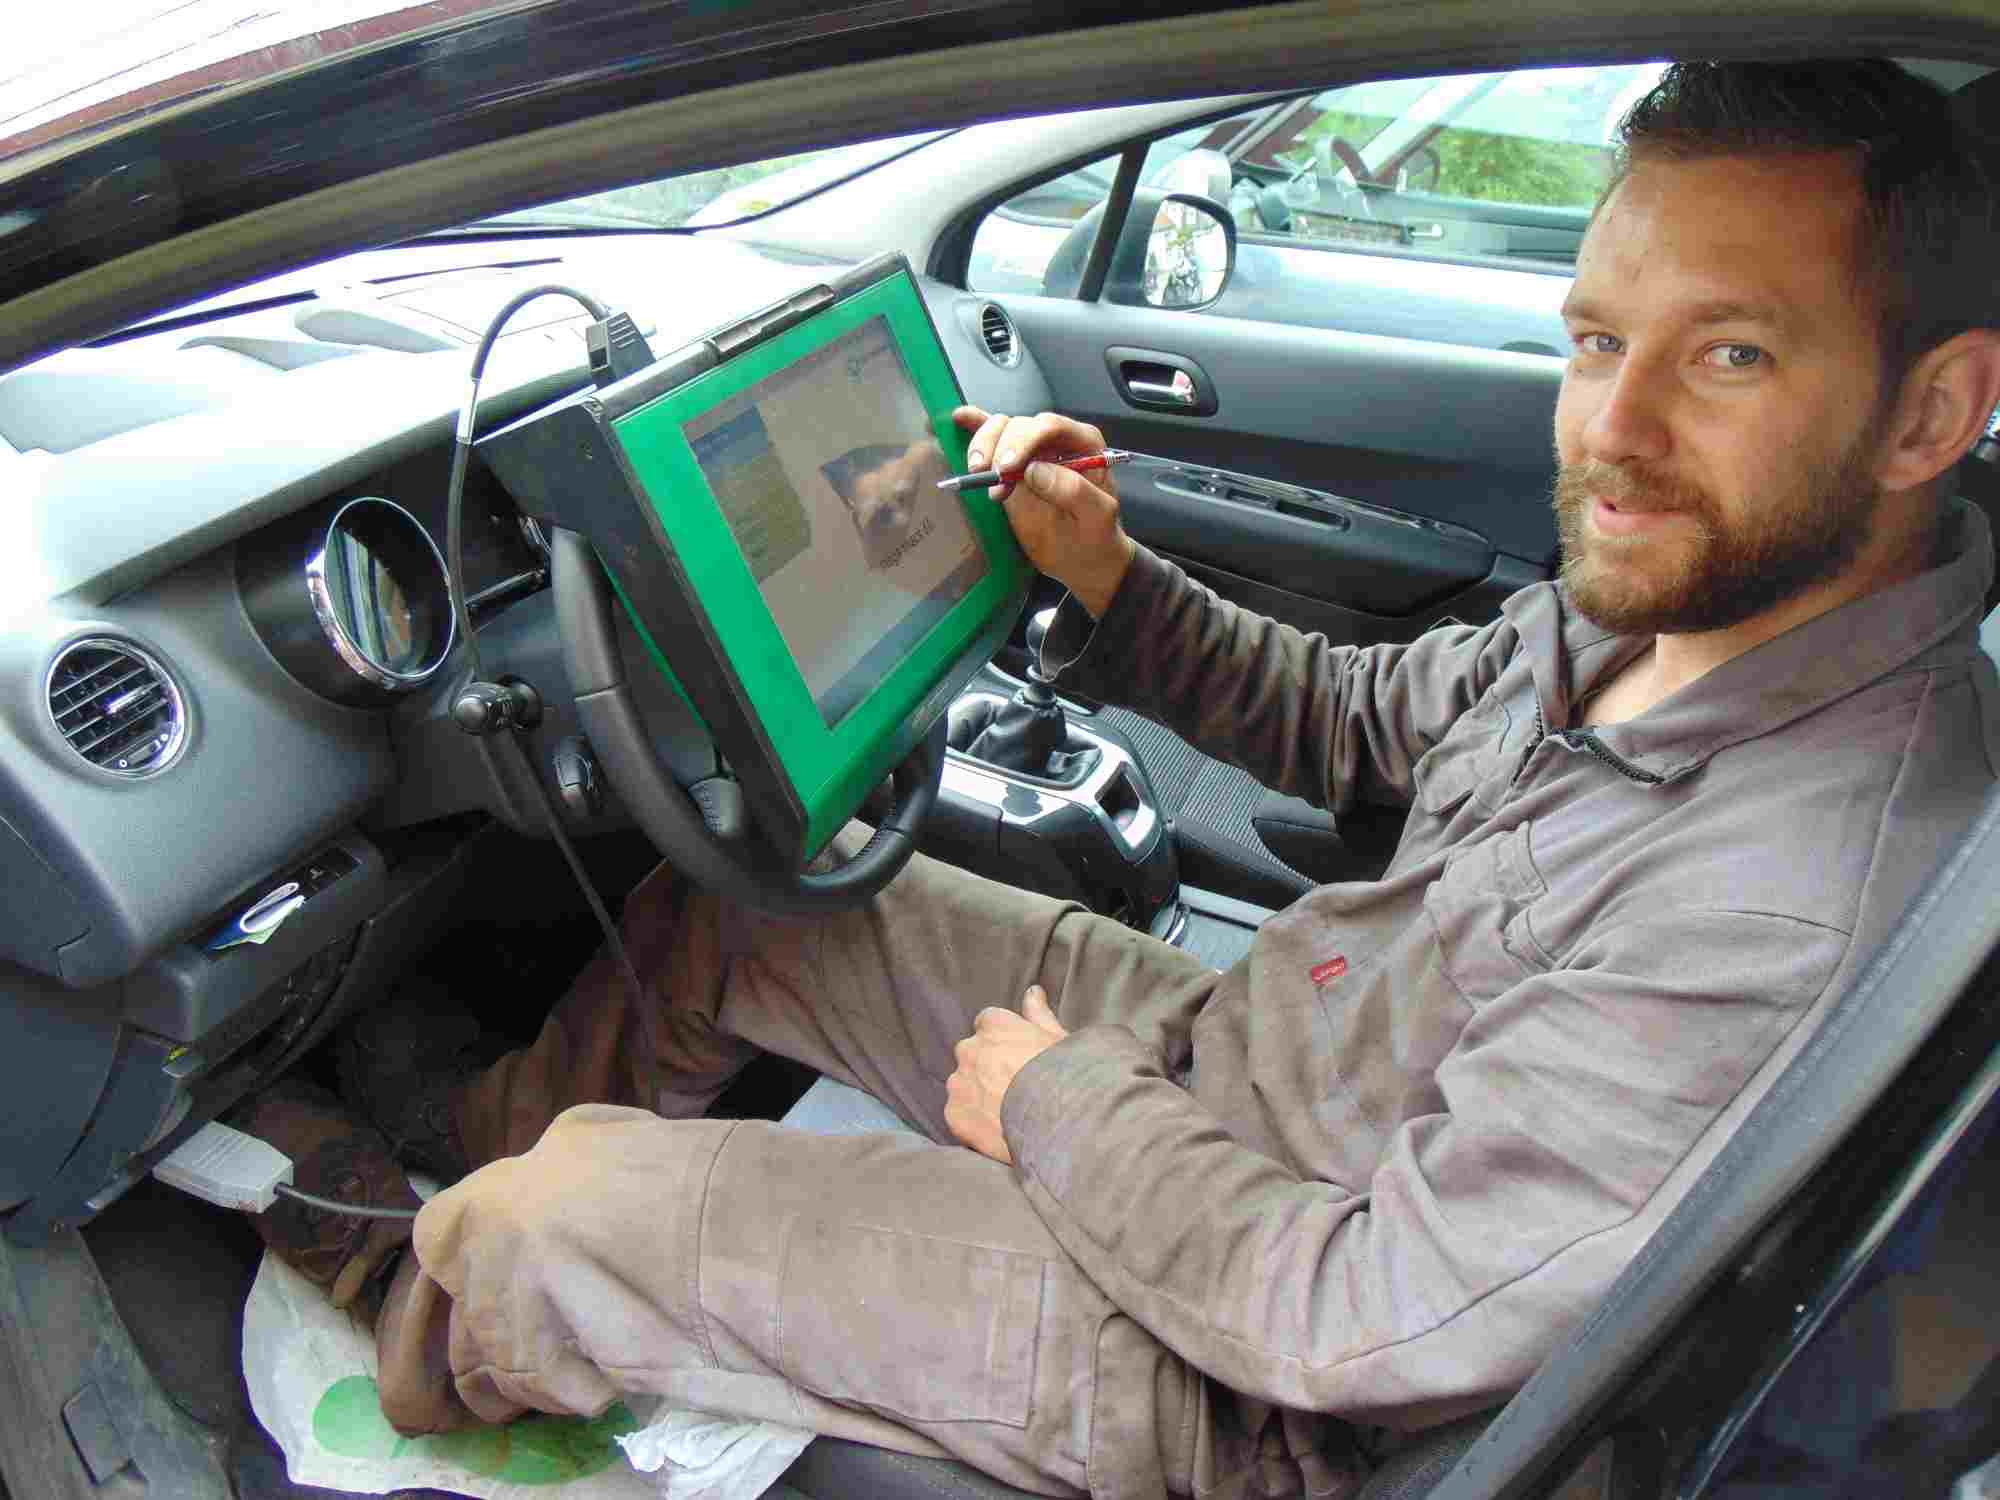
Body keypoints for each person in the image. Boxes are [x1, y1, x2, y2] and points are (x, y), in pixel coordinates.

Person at [241, 58, 2000, 1499]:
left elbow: (1365, 1328)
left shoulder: (1787, 890)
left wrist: (1059, 1111)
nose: (1612, 433)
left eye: (1732, 354)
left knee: (572, 1216)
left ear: (1931, 416)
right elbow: (1361, 716)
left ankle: (407, 1284)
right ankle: (448, 1149)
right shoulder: (1686, 608)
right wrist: (1107, 580)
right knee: (747, 902)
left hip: (1252, 1387)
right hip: (1266, 1070)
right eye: (1601, 339)